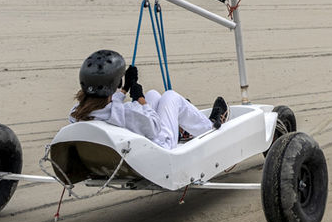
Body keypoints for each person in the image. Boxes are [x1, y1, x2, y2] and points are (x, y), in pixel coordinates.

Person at [68, 49, 227, 149]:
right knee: (170, 96)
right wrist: (140, 100)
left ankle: (182, 127)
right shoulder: (126, 114)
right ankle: (209, 127)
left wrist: (124, 90)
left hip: (126, 148)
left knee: (154, 95)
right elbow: (154, 126)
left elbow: (105, 106)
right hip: (159, 149)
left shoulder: (77, 112)